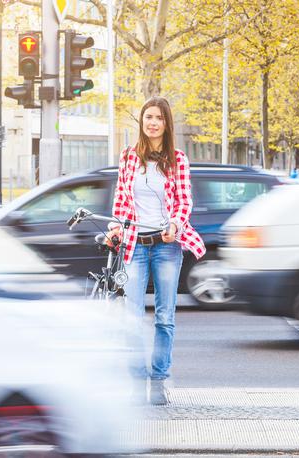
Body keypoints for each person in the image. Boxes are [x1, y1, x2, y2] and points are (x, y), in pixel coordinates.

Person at [107, 96, 206, 405]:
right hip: (135, 245)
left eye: (158, 118)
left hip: (166, 246)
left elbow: (184, 201)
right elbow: (122, 201)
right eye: (148, 117)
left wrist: (175, 225)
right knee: (132, 317)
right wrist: (116, 228)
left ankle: (158, 381)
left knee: (165, 317)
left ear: (166, 124)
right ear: (142, 121)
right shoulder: (127, 157)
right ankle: (137, 382)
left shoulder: (178, 159)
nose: (152, 122)